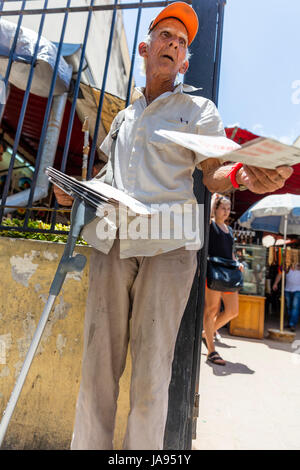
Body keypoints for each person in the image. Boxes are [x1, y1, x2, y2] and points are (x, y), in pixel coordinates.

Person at [53, 3, 293, 449]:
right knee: (96, 370)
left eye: (182, 43)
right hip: (111, 241)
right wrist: (76, 190)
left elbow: (212, 174)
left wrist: (243, 174)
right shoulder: (124, 118)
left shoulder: (199, 109)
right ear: (146, 48)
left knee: (150, 378)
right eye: (167, 35)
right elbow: (110, 178)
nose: (175, 44)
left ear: (184, 62)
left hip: (167, 248)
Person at [202, 194, 244, 366]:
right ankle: (211, 351)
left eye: (228, 209)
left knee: (232, 311)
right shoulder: (210, 225)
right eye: (223, 208)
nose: (226, 212)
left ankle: (207, 333)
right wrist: (214, 199)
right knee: (211, 310)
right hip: (213, 271)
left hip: (228, 273)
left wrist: (237, 262)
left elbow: (230, 252)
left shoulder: (229, 229)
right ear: (216, 209)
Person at [272, 263, 300, 332]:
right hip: (287, 289)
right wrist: (275, 283)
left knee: (295, 307)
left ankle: (292, 324)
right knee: (289, 307)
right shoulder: (285, 265)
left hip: (298, 290)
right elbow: (280, 273)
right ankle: (290, 322)